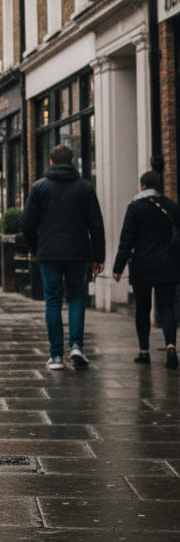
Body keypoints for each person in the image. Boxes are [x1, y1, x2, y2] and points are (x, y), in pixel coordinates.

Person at [22, 144, 105, 371]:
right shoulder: (85, 187)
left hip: (49, 252)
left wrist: (34, 248)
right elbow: (96, 224)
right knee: (76, 297)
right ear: (72, 161)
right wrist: (99, 256)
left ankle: (56, 356)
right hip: (78, 252)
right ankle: (76, 346)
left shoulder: (39, 187)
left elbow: (27, 222)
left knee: (53, 301)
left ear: (51, 162)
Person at [111, 170, 180, 369]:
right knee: (166, 306)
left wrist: (118, 267)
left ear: (142, 186)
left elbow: (126, 240)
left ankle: (144, 352)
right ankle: (171, 347)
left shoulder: (135, 207)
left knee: (142, 307)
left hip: (142, 265)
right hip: (167, 264)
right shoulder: (172, 207)